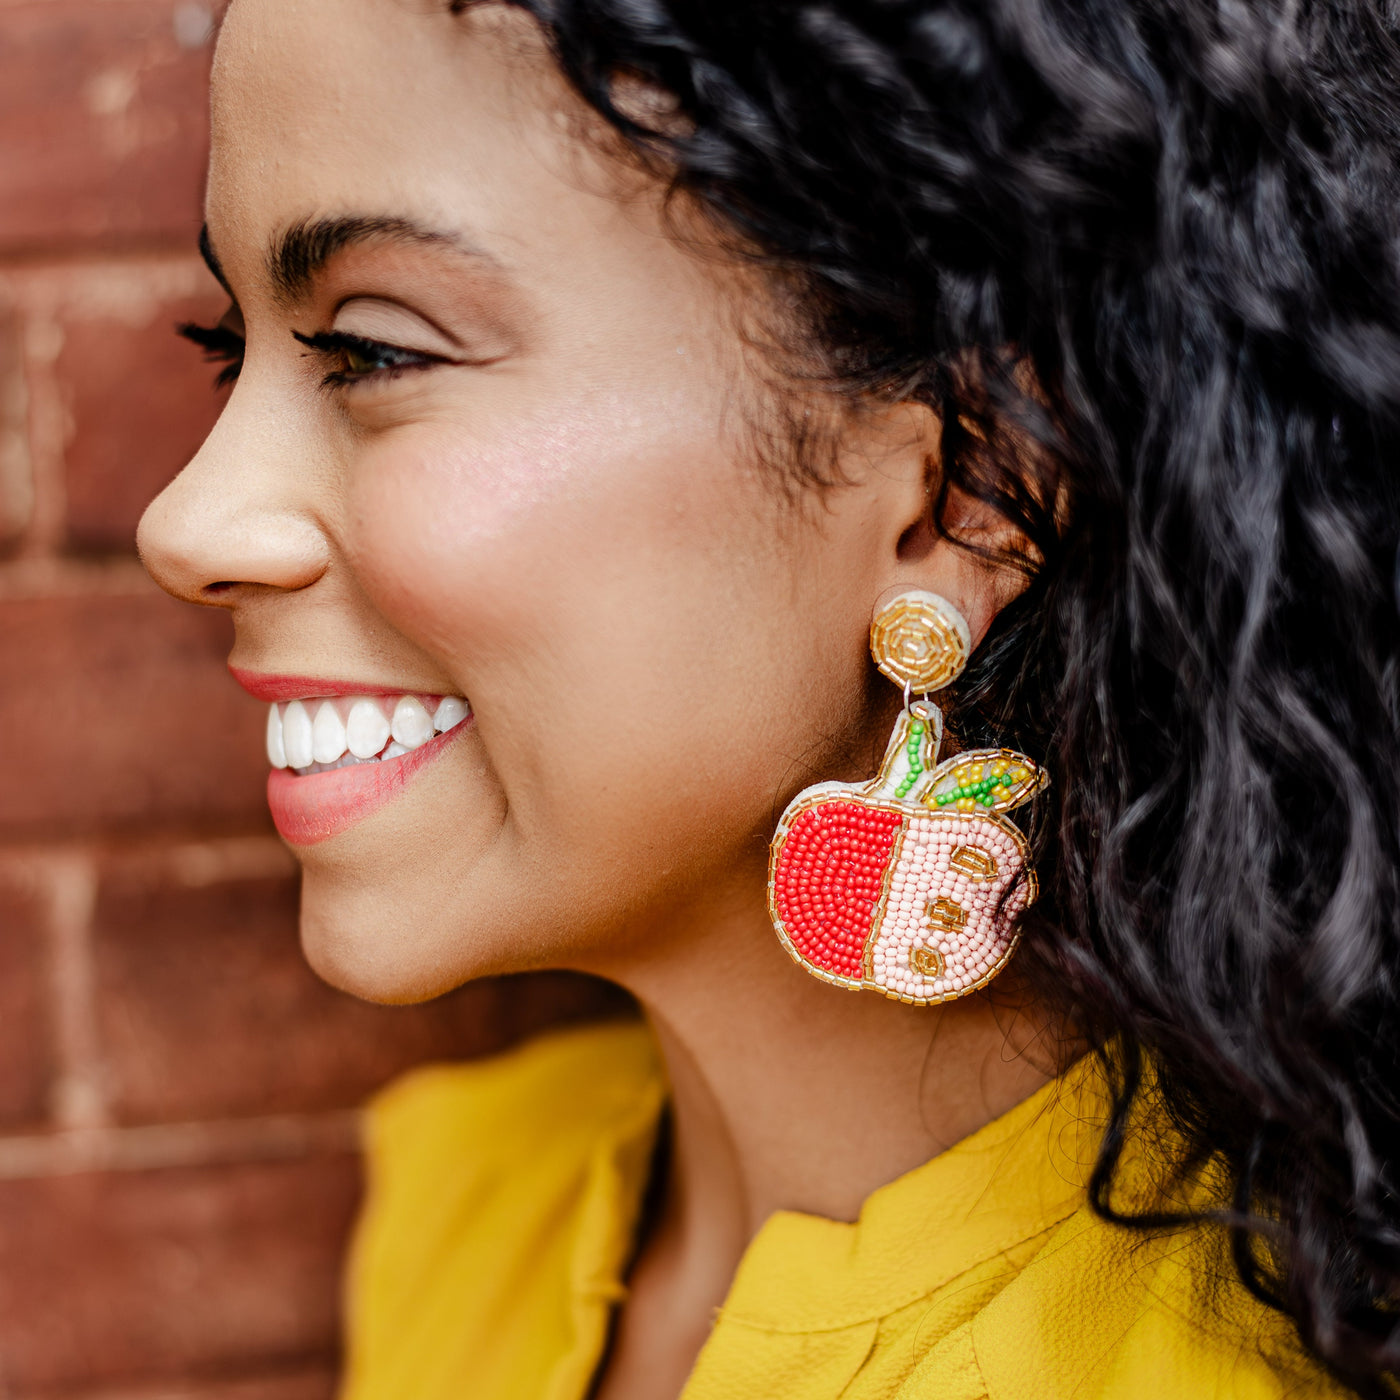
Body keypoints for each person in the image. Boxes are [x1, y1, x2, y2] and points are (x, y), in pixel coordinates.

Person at [136, 0, 1400, 1395]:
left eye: (376, 351)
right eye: (229, 346)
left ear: (966, 494)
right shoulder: (462, 1218)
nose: (187, 522)